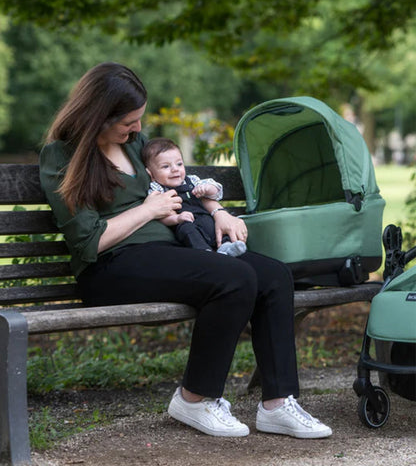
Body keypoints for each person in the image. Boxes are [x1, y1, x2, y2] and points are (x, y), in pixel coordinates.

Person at [39, 61, 332, 439]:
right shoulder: (61, 156)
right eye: (129, 121)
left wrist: (219, 211)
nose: (138, 129)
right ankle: (195, 398)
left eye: (139, 119)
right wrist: (148, 209)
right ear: (98, 115)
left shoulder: (135, 146)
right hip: (110, 268)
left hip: (168, 253)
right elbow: (89, 241)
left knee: (274, 276)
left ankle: (278, 404)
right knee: (235, 277)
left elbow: (183, 189)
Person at [142, 137, 246, 257]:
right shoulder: (158, 190)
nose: (175, 169)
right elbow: (161, 216)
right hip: (185, 222)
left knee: (213, 224)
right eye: (166, 166)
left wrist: (208, 188)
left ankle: (226, 246)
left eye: (179, 164)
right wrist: (177, 218)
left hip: (203, 217)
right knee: (187, 230)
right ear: (151, 173)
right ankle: (203, 251)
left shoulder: (192, 180)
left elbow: (216, 190)